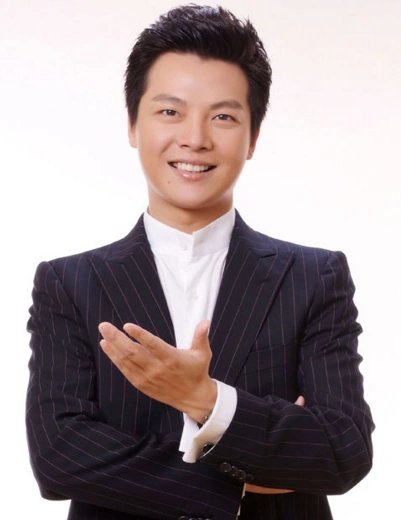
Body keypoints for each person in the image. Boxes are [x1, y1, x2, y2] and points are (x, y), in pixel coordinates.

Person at [26, 5, 374, 520]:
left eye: (223, 116)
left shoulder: (313, 278)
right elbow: (60, 457)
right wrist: (240, 479)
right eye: (170, 112)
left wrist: (206, 399)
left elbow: (343, 451)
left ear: (253, 137)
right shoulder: (70, 283)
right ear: (133, 125)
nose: (195, 138)